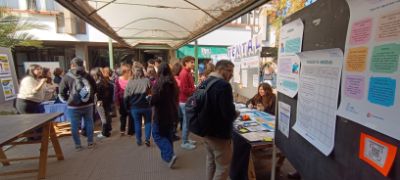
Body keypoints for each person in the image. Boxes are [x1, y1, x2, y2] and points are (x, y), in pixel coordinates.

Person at [200, 60, 238, 180]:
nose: (231, 74)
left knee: (211, 161)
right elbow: (228, 113)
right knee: (223, 167)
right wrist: (235, 113)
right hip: (219, 134)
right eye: (229, 71)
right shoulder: (224, 85)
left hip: (205, 130)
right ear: (221, 70)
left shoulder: (205, 81)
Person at [59, 57, 97, 150]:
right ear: (82, 65)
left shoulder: (66, 77)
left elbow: (61, 92)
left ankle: (78, 145)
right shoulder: (87, 75)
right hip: (87, 104)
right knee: (89, 123)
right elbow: (95, 88)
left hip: (73, 106)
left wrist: (68, 100)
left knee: (75, 125)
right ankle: (90, 143)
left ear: (72, 65)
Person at [151, 62, 179, 168]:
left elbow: (156, 99)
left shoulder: (159, 83)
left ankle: (169, 155)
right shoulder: (173, 83)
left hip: (160, 114)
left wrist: (150, 99)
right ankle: (169, 155)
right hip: (172, 113)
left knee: (157, 135)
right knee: (167, 134)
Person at [124, 66, 152, 146]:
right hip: (146, 106)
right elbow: (151, 92)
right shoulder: (147, 80)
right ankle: (147, 139)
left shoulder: (130, 82)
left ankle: (139, 140)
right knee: (148, 122)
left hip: (134, 107)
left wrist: (127, 107)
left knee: (137, 123)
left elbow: (125, 97)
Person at [178, 56, 196, 150]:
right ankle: (184, 142)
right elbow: (184, 89)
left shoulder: (187, 72)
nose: (193, 64)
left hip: (186, 100)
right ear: (186, 63)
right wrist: (194, 90)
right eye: (191, 62)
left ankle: (187, 139)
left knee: (188, 121)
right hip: (185, 101)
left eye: (193, 62)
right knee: (186, 122)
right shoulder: (184, 73)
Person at [90, 67, 113, 138]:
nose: (92, 77)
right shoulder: (106, 82)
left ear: (95, 75)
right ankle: (107, 130)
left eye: (92, 76)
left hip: (100, 103)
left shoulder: (97, 84)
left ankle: (104, 133)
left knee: (103, 118)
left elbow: (93, 94)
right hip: (107, 102)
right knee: (106, 116)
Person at [115, 62, 134, 136]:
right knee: (130, 115)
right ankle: (130, 132)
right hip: (130, 99)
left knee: (123, 116)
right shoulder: (132, 79)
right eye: (129, 70)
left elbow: (116, 92)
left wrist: (117, 102)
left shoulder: (118, 79)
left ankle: (122, 130)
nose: (130, 72)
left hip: (121, 100)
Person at [171, 62, 183, 141]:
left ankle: (174, 131)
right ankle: (173, 132)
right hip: (178, 100)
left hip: (174, 101)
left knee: (176, 116)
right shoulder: (178, 79)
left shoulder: (171, 78)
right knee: (177, 116)